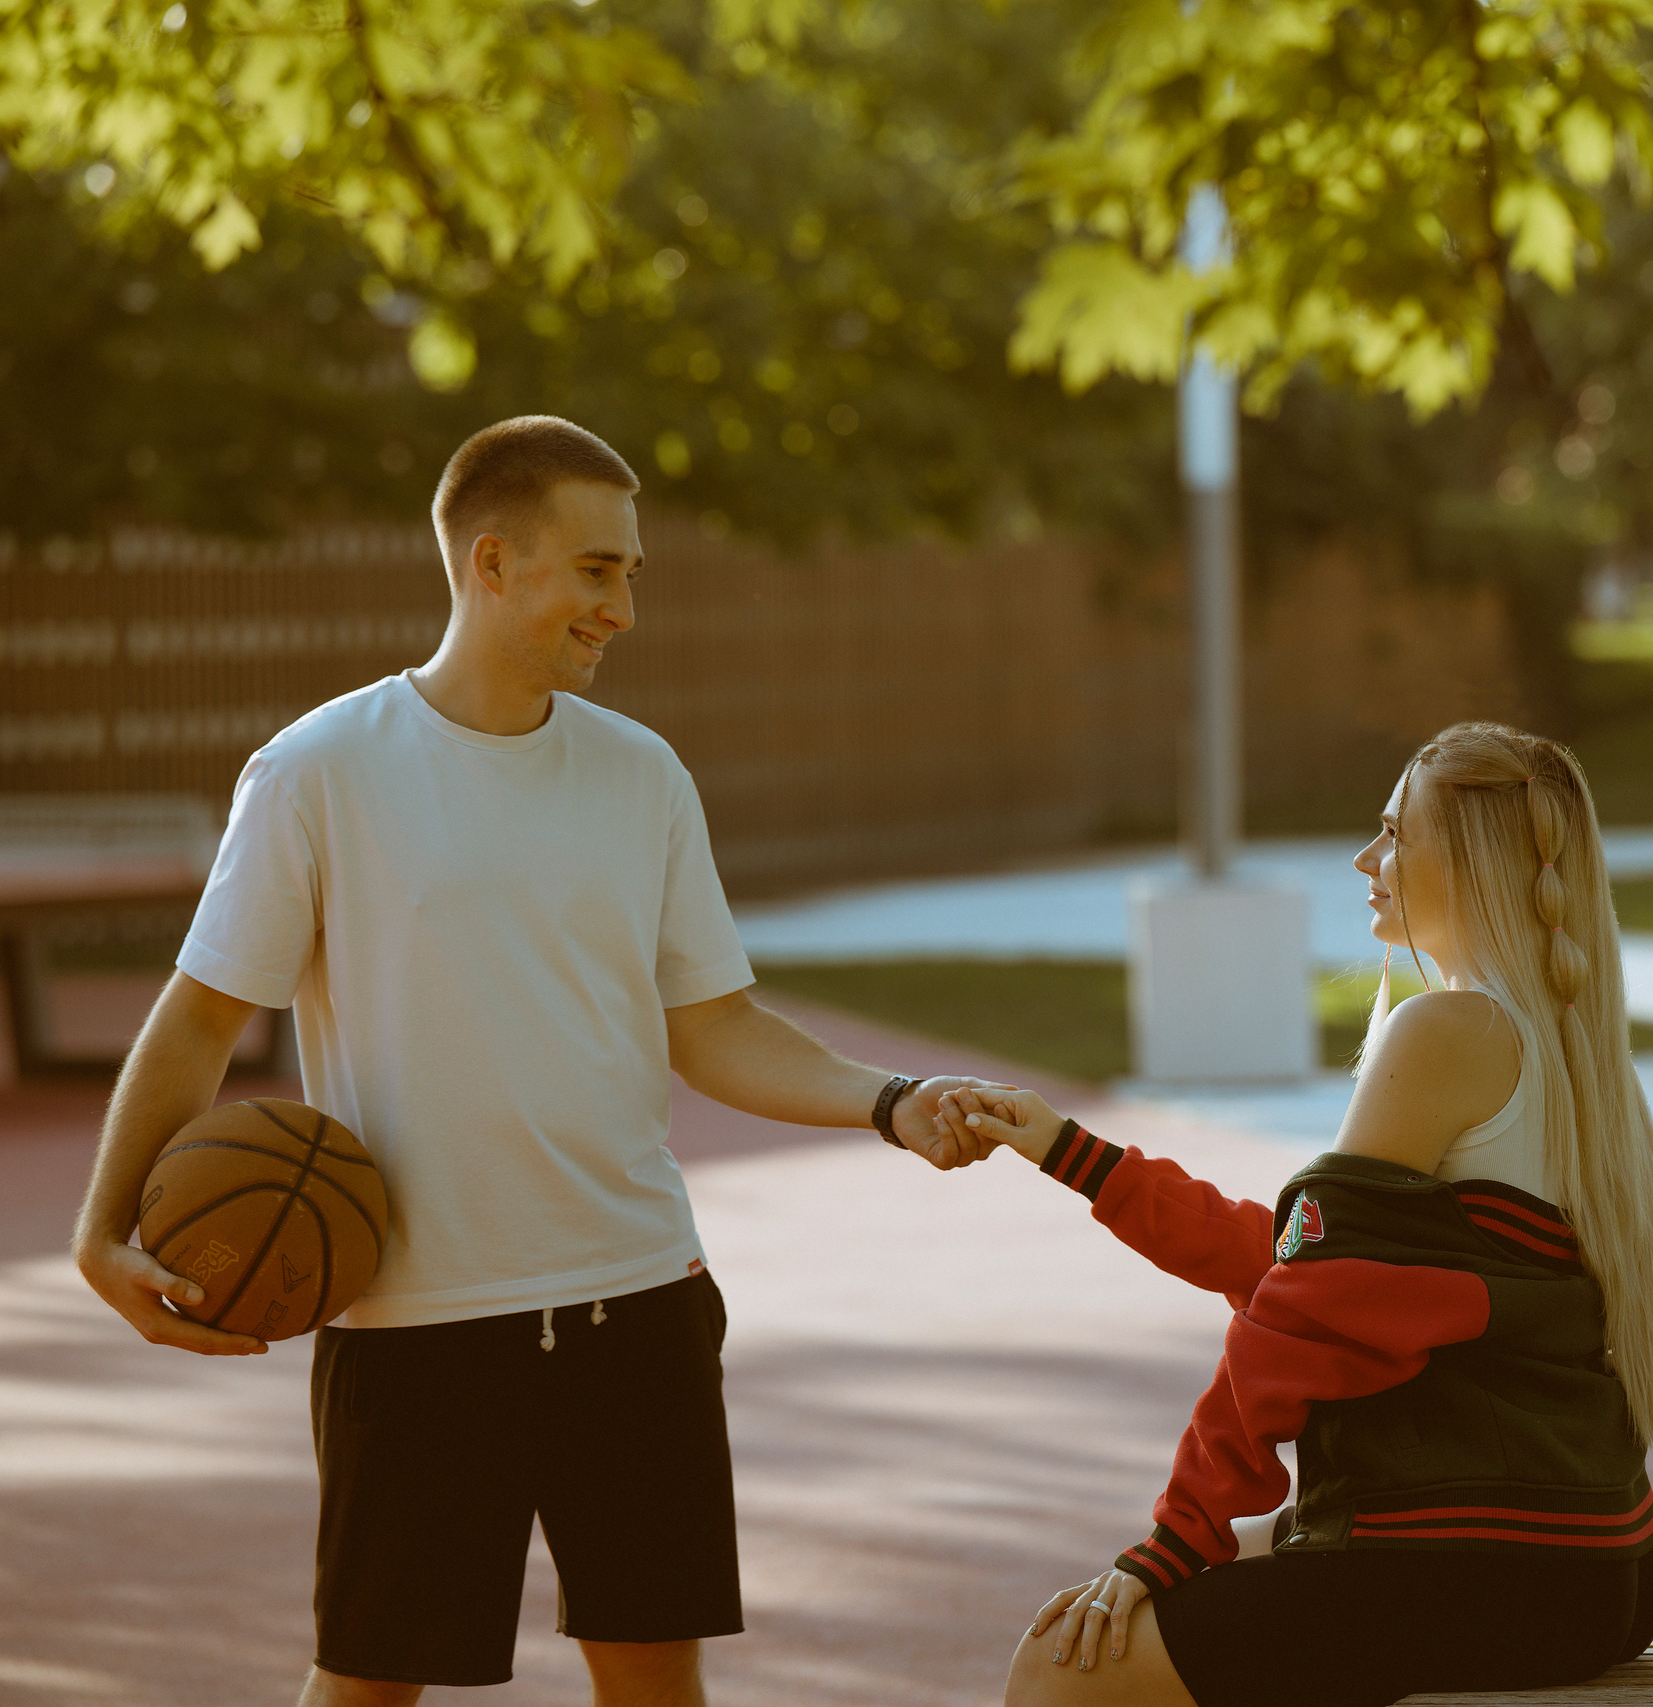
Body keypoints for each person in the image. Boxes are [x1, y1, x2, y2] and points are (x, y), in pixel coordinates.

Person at [69, 416, 997, 1707]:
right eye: (597, 570)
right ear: (492, 562)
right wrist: (101, 1230)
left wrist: (892, 1103)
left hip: (640, 1301)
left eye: (631, 573)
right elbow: (200, 1018)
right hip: (416, 1324)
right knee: (367, 1685)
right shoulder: (318, 771)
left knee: (655, 1684)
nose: (624, 607)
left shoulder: (642, 775)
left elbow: (715, 1025)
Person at [943, 722, 1653, 1707]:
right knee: (1241, 1572)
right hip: (1596, 1560)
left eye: (1394, 833)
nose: (1367, 860)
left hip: (1492, 1562)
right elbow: (1298, 1262)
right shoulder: (1568, 1038)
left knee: (1059, 1667)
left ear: (1467, 860)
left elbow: (1301, 1313)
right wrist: (1070, 1152)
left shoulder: (1448, 1029)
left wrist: (1175, 1537)